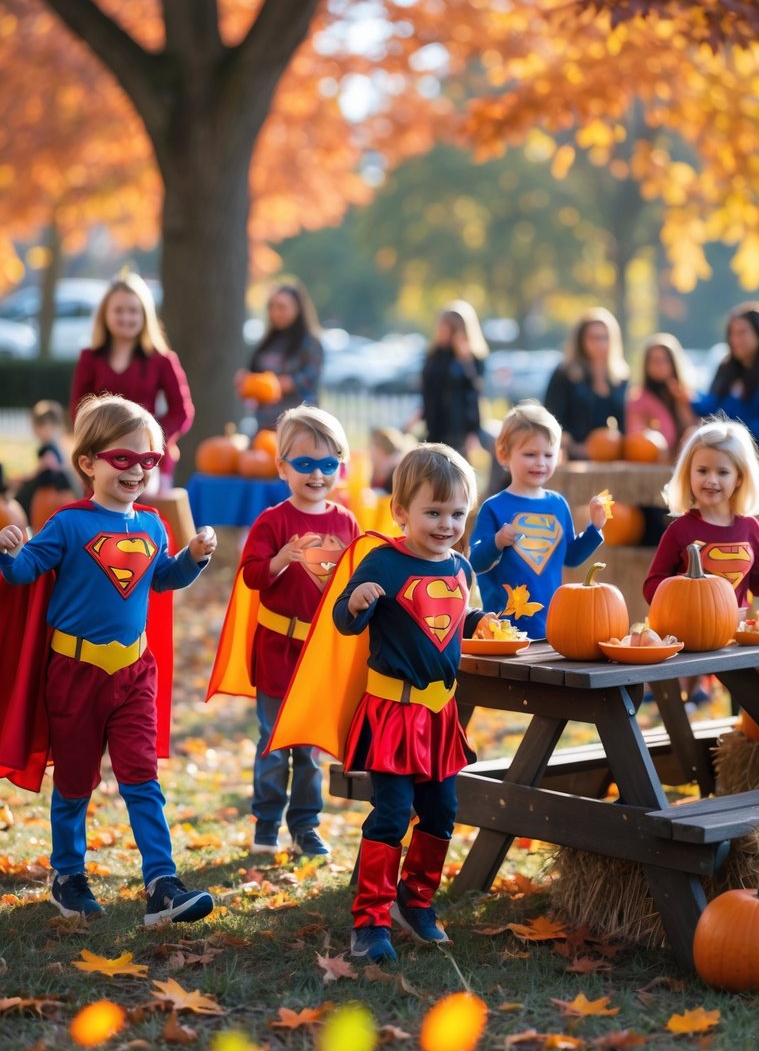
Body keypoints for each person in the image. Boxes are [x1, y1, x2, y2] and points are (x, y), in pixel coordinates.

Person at [0, 394, 217, 923]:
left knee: (142, 778)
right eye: (123, 458)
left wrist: (192, 561)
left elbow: (160, 580)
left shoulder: (154, 526)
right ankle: (68, 876)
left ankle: (162, 883)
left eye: (148, 461)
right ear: (88, 462)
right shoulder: (68, 525)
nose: (136, 470)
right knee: (74, 782)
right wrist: (7, 551)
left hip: (134, 673)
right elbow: (24, 575)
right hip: (74, 673)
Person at [328, 444, 490, 962]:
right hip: (393, 714)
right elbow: (344, 619)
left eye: (457, 514)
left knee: (442, 809)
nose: (446, 524)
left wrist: (479, 624)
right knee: (392, 810)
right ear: (401, 512)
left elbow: (449, 626)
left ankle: (414, 901)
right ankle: (370, 919)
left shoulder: (462, 566)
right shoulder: (384, 562)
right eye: (433, 513)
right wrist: (354, 603)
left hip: (440, 715)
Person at [207, 404, 359, 859]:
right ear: (282, 467)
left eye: (328, 464)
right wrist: (281, 560)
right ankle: (267, 821)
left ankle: (306, 825)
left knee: (310, 747)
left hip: (317, 654)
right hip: (276, 647)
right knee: (274, 743)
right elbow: (251, 575)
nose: (317, 474)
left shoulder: (346, 522)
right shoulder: (273, 521)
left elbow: (352, 581)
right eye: (305, 464)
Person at [643, 417, 759, 706]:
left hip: (735, 634)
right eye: (702, 470)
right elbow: (651, 586)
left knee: (752, 698)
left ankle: (735, 724)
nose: (711, 479)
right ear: (688, 475)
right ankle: (687, 695)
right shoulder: (680, 530)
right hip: (685, 634)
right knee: (684, 699)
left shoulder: (749, 528)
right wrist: (683, 594)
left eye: (722, 471)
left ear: (739, 478)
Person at [470, 402, 607, 640]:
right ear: (504, 454)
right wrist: (497, 542)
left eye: (548, 454)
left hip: (551, 626)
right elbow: (475, 561)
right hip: (503, 629)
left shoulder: (558, 504)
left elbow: (570, 557)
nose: (540, 462)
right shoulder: (494, 507)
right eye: (530, 454)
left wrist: (594, 529)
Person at [70, 271, 194, 490]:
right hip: (102, 458)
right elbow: (77, 410)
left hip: (148, 461)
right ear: (105, 315)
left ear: (144, 315)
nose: (126, 317)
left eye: (133, 311)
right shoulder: (90, 358)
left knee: (145, 518)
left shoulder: (162, 359)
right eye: (119, 310)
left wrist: (151, 439)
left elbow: (182, 411)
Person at [692, 302, 759, 505]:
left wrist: (728, 432)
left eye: (742, 332)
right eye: (732, 333)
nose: (735, 339)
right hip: (726, 465)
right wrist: (687, 396)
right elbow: (711, 406)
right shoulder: (727, 368)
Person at [236, 280, 324, 433]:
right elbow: (254, 375)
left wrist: (272, 384)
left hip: (298, 427)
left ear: (298, 309)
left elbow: (306, 379)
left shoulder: (309, 344)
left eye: (282, 307)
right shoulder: (268, 342)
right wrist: (246, 382)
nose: (276, 312)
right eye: (272, 307)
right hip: (265, 425)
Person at [544, 307, 630, 459]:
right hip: (572, 456)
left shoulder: (621, 378)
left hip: (612, 457)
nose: (600, 344)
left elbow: (626, 423)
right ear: (581, 341)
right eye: (594, 338)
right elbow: (551, 418)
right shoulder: (564, 375)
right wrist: (573, 446)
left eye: (605, 337)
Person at [420, 301, 488, 456]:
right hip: (435, 425)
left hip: (458, 430)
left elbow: (474, 393)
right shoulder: (434, 356)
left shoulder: (471, 359)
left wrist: (473, 430)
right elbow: (427, 388)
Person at [625, 334, 698, 460]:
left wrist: (680, 401)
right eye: (655, 361)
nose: (660, 365)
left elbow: (691, 428)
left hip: (682, 460)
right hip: (655, 460)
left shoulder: (684, 394)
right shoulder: (638, 399)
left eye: (665, 360)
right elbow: (637, 436)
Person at [13, 400, 74, 518]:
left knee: (18, 502)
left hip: (50, 496)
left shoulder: (49, 448)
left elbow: (45, 467)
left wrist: (21, 480)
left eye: (37, 426)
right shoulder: (58, 446)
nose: (35, 431)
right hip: (60, 495)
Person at [369, 426, 415, 496]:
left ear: (381, 451)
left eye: (372, 447)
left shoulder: (398, 473)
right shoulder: (376, 471)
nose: (370, 452)